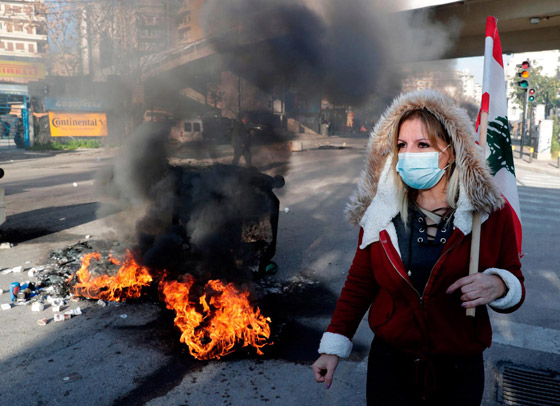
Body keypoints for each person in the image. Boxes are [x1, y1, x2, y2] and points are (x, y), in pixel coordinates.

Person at [312, 89, 525, 406]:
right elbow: (360, 281)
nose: (409, 154)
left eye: (422, 144)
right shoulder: (381, 211)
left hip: (459, 371)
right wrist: (334, 344)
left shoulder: (489, 213)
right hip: (389, 368)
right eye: (401, 145)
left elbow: (514, 278)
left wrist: (497, 284)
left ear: (450, 152)